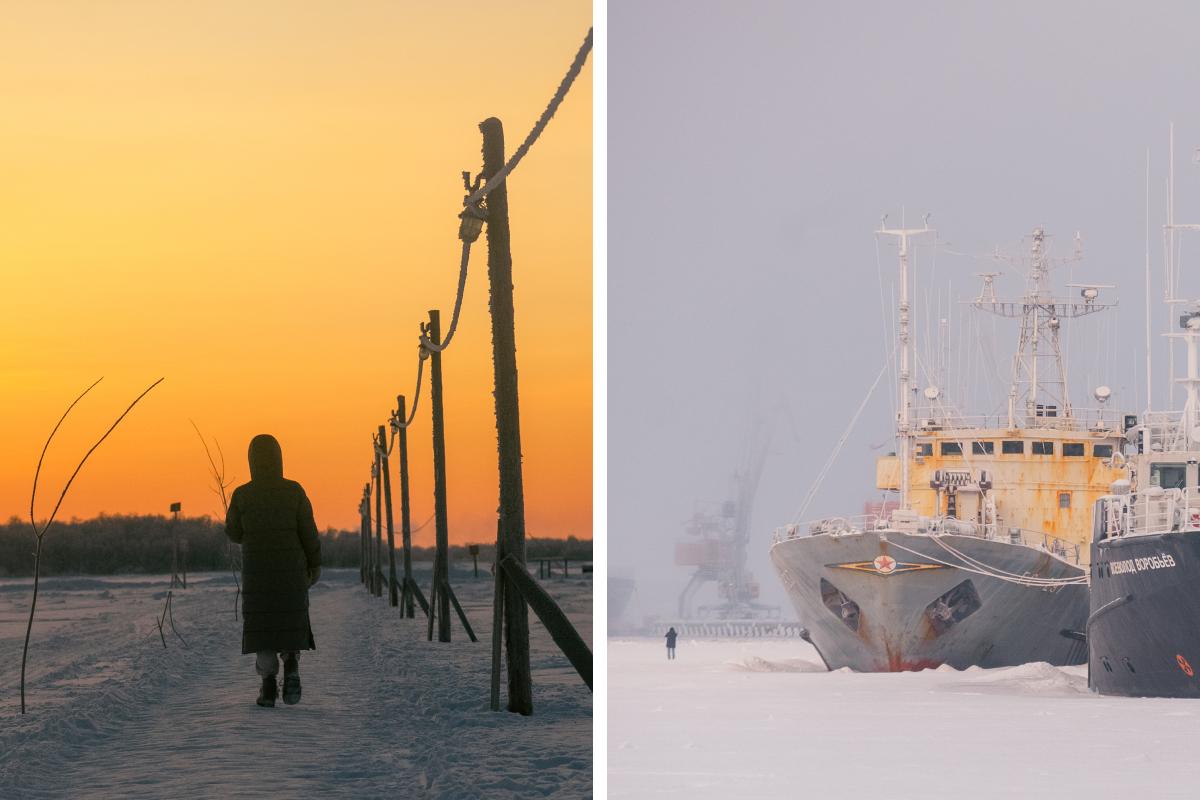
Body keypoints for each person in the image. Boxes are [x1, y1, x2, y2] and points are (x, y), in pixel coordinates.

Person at [225, 434, 321, 708]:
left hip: (257, 576)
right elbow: (309, 533)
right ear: (279, 459)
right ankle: (291, 665)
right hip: (291, 573)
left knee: (263, 627)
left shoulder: (242, 494)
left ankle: (267, 687)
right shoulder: (294, 491)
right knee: (290, 622)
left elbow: (234, 532)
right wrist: (315, 564)